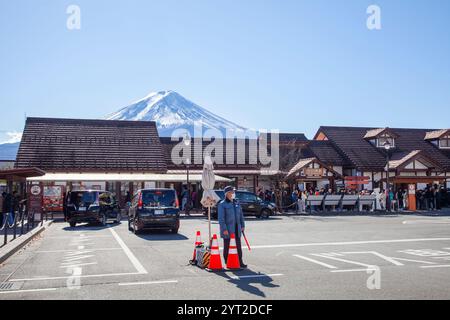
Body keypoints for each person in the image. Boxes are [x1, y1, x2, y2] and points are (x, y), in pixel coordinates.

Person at [218, 186, 247, 269]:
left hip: (237, 228)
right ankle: (227, 262)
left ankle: (240, 261)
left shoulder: (236, 202)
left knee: (238, 246)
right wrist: (224, 229)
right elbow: (221, 218)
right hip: (227, 229)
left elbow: (241, 215)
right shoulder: (222, 204)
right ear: (227, 194)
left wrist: (243, 225)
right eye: (231, 192)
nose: (233, 193)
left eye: (233, 192)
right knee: (227, 246)